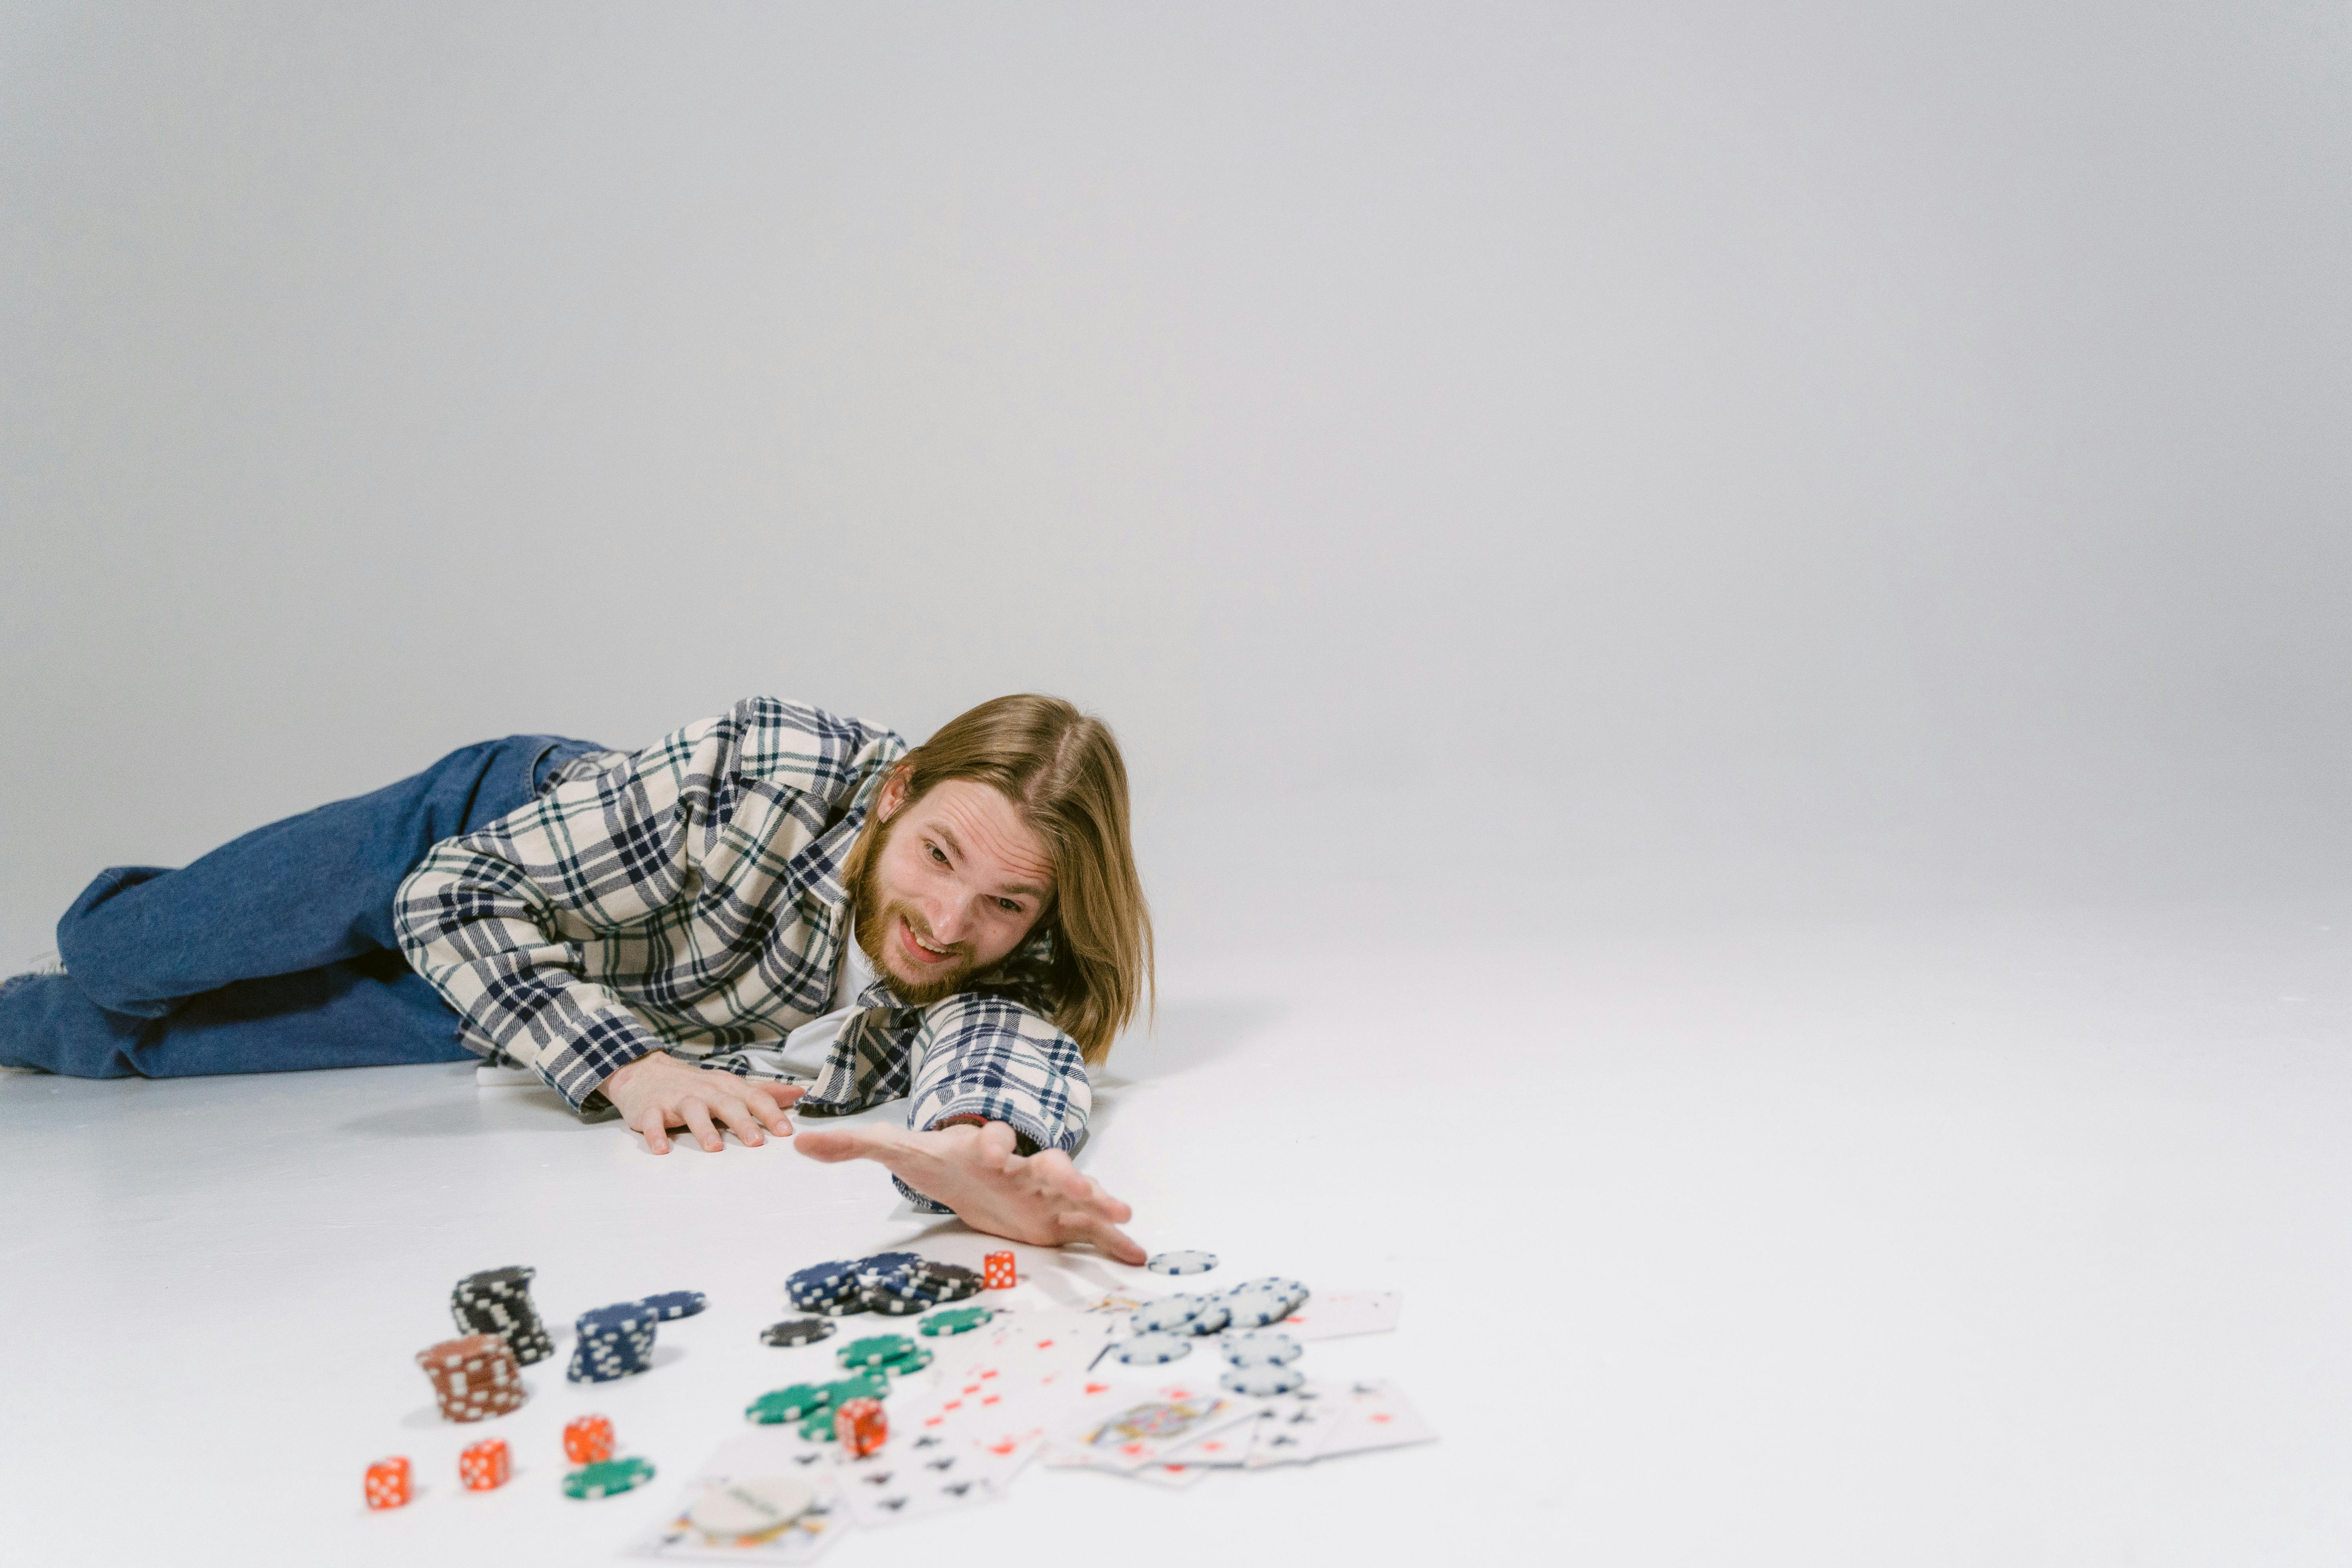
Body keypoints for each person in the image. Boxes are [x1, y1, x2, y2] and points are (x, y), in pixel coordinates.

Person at [0, 694, 1151, 1261]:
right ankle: (153, 935)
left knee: (127, 1044)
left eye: (1005, 903)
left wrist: (971, 1149)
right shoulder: (761, 769)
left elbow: (1001, 1053)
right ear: (896, 792)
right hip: (475, 851)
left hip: (529, 1001)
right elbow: (452, 897)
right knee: (124, 960)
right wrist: (632, 1067)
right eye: (939, 858)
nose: (949, 923)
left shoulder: (1014, 954)